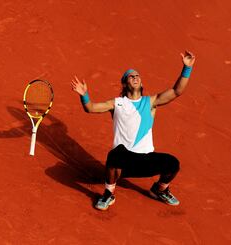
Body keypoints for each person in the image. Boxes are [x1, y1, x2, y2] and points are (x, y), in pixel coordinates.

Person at [71, 51, 196, 210]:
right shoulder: (117, 103)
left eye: (137, 76)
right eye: (131, 76)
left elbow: (177, 91)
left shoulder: (151, 102)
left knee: (173, 163)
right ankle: (109, 194)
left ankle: (160, 189)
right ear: (124, 84)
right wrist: (84, 95)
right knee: (115, 154)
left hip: (146, 161)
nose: (135, 77)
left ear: (141, 83)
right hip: (123, 163)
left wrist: (187, 69)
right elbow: (90, 108)